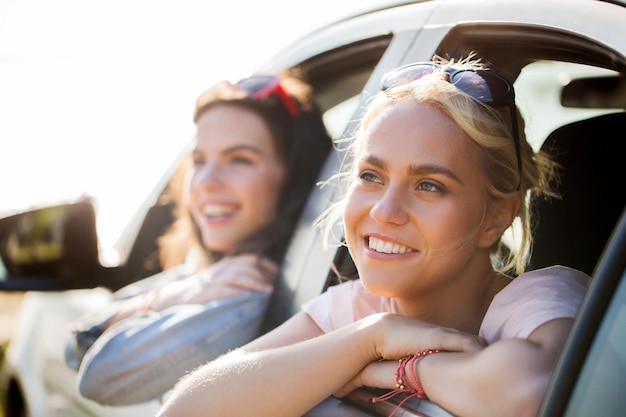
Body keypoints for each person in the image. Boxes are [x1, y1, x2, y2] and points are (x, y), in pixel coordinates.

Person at [155, 55, 590, 417]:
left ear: (497, 218)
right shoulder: (355, 310)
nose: (384, 211)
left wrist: (381, 371)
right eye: (371, 176)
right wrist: (371, 339)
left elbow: (530, 393)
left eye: (429, 185)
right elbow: (184, 410)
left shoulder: (540, 298)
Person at [64, 68, 333, 406]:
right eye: (200, 160)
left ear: (293, 179)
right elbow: (76, 342)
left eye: (239, 159)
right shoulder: (213, 274)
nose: (206, 181)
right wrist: (181, 293)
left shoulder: (250, 291)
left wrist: (182, 294)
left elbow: (97, 377)